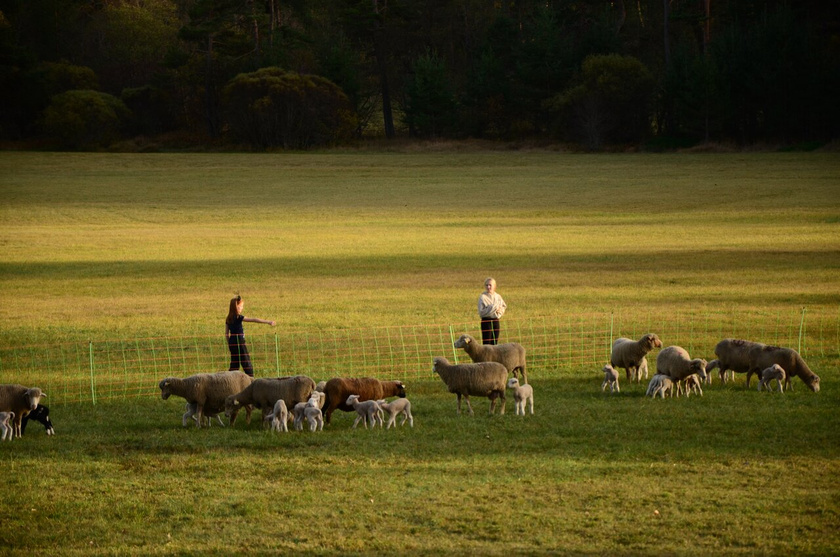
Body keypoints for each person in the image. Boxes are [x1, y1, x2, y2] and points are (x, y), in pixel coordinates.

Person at [225, 295, 276, 377]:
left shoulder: (228, 318)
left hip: (232, 343)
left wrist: (230, 344)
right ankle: (251, 378)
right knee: (246, 361)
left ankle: (230, 379)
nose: (242, 308)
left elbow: (226, 334)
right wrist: (268, 322)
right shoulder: (239, 317)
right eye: (241, 307)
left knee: (234, 363)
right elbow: (254, 319)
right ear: (236, 307)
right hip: (240, 342)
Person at [478, 277, 506, 345]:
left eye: (490, 285)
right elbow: (481, 313)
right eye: (487, 285)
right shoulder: (482, 297)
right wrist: (493, 308)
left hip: (495, 321)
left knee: (495, 342)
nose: (488, 287)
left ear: (494, 286)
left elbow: (503, 307)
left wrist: (498, 312)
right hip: (486, 322)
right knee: (487, 343)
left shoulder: (498, 297)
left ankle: (495, 356)